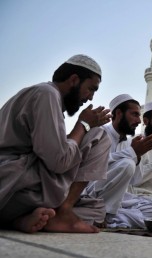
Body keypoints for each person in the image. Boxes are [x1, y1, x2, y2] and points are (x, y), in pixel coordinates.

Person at [0, 54, 112, 233]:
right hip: (14, 183)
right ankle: (63, 212)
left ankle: (19, 220)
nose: (90, 98)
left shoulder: (46, 96)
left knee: (97, 208)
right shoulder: (47, 94)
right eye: (91, 89)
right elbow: (59, 162)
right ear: (74, 80)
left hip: (18, 192)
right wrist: (83, 125)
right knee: (99, 134)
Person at [83, 95, 152, 228]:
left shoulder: (129, 143)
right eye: (135, 114)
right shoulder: (99, 132)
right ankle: (100, 214)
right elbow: (96, 164)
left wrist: (138, 154)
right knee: (127, 164)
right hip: (92, 193)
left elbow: (135, 180)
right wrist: (132, 153)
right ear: (119, 113)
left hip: (118, 199)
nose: (139, 121)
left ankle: (108, 218)